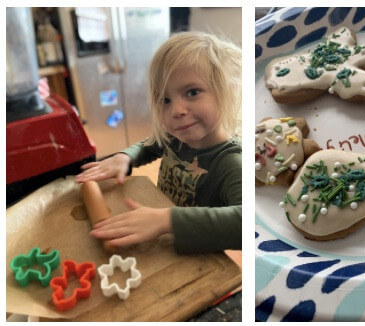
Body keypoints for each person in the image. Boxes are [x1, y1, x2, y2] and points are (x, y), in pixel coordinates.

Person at [75, 31, 241, 254]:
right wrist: (125, 157)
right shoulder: (177, 137)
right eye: (165, 100)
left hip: (197, 253)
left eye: (192, 92)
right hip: (160, 234)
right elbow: (151, 144)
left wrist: (168, 220)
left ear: (225, 89)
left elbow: (245, 223)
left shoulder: (231, 163)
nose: (176, 111)